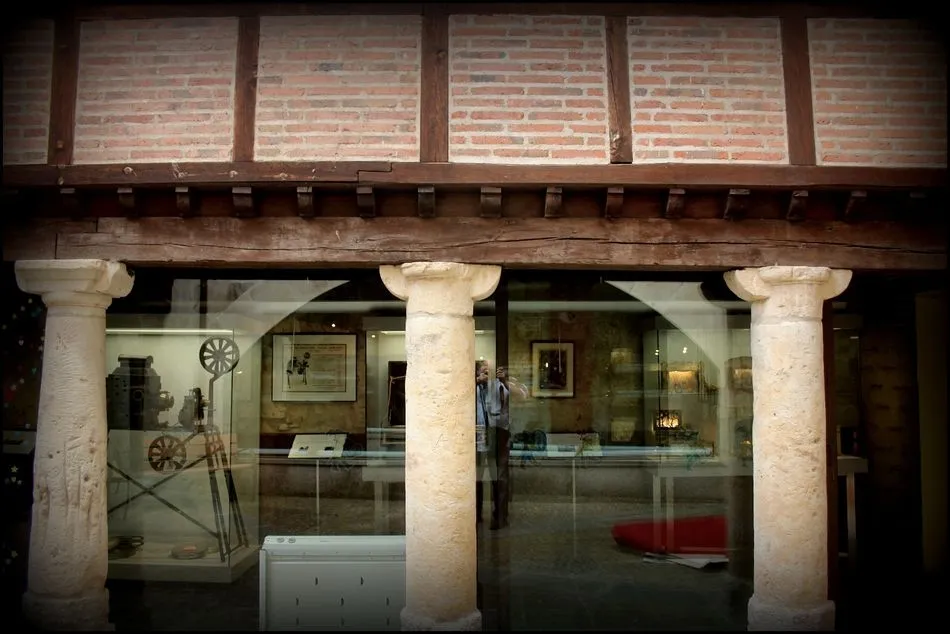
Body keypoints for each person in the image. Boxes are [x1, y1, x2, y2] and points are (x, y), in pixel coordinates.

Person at [475, 359, 524, 530]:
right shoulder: (471, 386)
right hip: (477, 435)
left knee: (500, 477)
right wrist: (475, 382)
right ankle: (475, 515)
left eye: (489, 371)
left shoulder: (500, 384)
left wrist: (504, 381)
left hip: (499, 434)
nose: (486, 374)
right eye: (483, 371)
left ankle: (500, 516)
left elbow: (522, 395)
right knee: (476, 477)